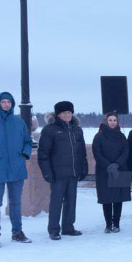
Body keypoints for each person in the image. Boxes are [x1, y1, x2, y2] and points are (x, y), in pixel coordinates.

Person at [0, 92, 33, 247]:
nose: (6, 104)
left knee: (16, 202)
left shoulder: (18, 122)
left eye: (9, 102)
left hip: (17, 168)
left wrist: (24, 154)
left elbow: (27, 141)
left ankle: (17, 232)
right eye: (3, 102)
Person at [38, 101, 88, 240]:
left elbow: (82, 152)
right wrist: (47, 172)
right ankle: (53, 230)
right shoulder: (50, 129)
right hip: (57, 174)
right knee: (56, 202)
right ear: (58, 114)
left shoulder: (77, 129)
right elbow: (43, 154)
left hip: (73, 172)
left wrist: (83, 168)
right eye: (65, 112)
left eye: (70, 112)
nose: (68, 115)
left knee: (71, 201)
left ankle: (68, 227)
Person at [91, 112, 131, 233]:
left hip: (120, 169)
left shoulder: (121, 136)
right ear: (106, 121)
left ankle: (116, 224)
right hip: (104, 171)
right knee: (107, 199)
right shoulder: (99, 136)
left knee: (118, 198)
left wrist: (117, 164)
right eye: (110, 120)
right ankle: (108, 224)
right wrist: (109, 165)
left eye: (114, 120)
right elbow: (97, 153)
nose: (112, 122)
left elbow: (126, 151)